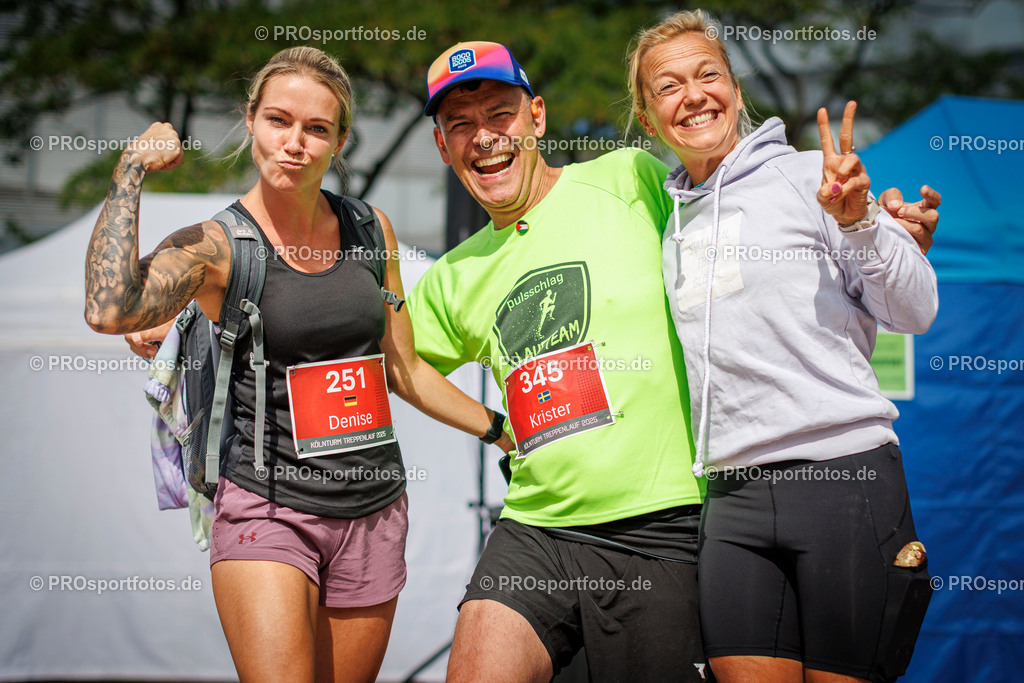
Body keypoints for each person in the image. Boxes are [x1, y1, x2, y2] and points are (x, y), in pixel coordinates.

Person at [406, 41, 939, 682]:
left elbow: (740, 224)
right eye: (461, 125)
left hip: (672, 523)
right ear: (443, 147)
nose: (485, 136)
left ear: (537, 117)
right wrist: (491, 426)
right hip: (542, 526)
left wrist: (871, 230)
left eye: (500, 114)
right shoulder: (453, 274)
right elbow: (394, 360)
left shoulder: (630, 178)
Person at [84, 46, 511, 683]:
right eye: (279, 121)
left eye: (316, 128)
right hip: (268, 508)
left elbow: (402, 369)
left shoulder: (371, 229)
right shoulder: (217, 245)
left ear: (339, 141)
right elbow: (109, 309)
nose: (294, 143)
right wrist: (130, 168)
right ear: (250, 121)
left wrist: (503, 430)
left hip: (374, 508)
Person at [628, 10, 937, 682]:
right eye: (669, 86)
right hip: (731, 498)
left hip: (844, 478)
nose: (694, 95)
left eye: (708, 75)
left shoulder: (812, 178)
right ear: (649, 119)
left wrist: (862, 225)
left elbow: (916, 310)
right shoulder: (669, 221)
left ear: (736, 90)